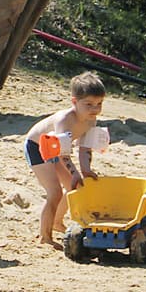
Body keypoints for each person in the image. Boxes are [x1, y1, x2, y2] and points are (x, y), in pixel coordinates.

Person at [25, 70, 107, 247]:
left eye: (99, 104)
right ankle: (45, 237)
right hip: (38, 147)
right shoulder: (65, 120)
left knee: (74, 187)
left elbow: (85, 148)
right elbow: (63, 152)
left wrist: (85, 170)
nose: (95, 109)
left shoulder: (91, 120)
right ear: (74, 102)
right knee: (55, 191)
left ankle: (56, 222)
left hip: (56, 151)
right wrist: (74, 171)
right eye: (89, 104)